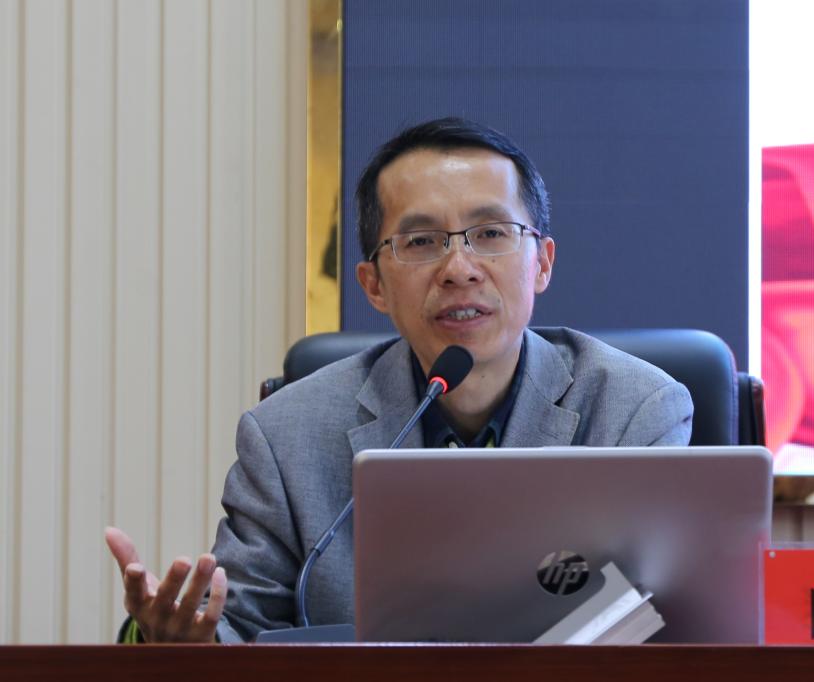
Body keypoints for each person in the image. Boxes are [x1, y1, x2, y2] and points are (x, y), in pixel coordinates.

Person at [105, 117, 694, 642]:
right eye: (421, 242)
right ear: (374, 286)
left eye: (491, 233)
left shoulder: (634, 410)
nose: (459, 269)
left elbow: (653, 621)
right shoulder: (286, 436)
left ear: (541, 262)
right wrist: (173, 642)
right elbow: (236, 624)